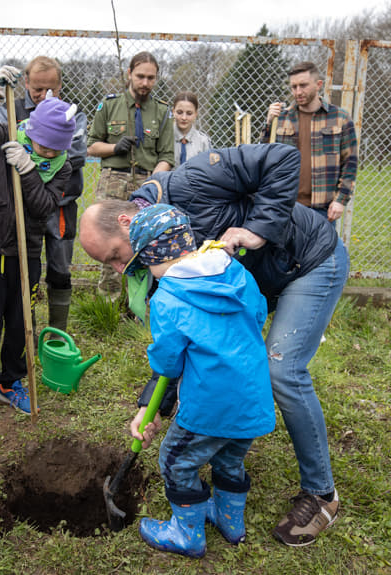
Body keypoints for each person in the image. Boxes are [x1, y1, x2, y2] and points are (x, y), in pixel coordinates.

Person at [79, 143, 348, 547]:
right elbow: (184, 345)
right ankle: (228, 509)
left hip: (306, 259)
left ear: (126, 221)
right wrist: (151, 405)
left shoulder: (193, 181)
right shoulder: (156, 253)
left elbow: (284, 158)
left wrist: (255, 230)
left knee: (281, 368)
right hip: (254, 287)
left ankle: (322, 495)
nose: (122, 270)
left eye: (116, 256)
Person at [85, 201, 274, 557]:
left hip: (209, 406)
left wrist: (152, 400)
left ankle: (187, 533)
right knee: (230, 459)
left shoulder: (169, 298)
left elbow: (168, 361)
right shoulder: (236, 272)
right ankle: (230, 522)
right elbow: (260, 310)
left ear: (151, 256)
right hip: (253, 399)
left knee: (175, 460)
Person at [0, 65, 76, 429]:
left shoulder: (63, 166)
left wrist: (28, 170)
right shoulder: (8, 136)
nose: (45, 150)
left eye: (54, 147)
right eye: (41, 144)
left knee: (19, 321)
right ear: (33, 131)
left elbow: (44, 208)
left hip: (28, 250)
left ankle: (10, 383)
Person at [0, 56, 88, 334]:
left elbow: (76, 154)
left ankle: (57, 333)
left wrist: (28, 154)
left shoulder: (73, 113)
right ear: (25, 82)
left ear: (60, 85)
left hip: (60, 204)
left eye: (51, 88)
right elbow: (2, 146)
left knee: (60, 270)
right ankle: (28, 331)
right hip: (22, 208)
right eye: (36, 89)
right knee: (25, 269)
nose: (43, 95)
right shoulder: (9, 110)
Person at [87, 51, 174, 298]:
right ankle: (108, 303)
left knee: (147, 243)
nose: (145, 83)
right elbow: (92, 146)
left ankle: (140, 303)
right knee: (110, 240)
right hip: (114, 181)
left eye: (151, 78)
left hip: (147, 180)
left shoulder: (161, 112)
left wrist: (153, 182)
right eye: (140, 76)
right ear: (129, 74)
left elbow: (167, 156)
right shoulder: (110, 105)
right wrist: (115, 147)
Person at [263, 61, 357, 224]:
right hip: (285, 206)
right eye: (294, 87)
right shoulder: (281, 118)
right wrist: (269, 123)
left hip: (322, 209)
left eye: (303, 85)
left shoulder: (339, 117)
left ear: (318, 84)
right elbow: (263, 156)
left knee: (330, 250)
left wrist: (340, 200)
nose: (298, 92)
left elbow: (350, 163)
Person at [172, 91, 211, 166]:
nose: (184, 118)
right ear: (173, 111)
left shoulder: (203, 141)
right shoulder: (165, 138)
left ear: (196, 113)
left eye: (189, 113)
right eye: (179, 112)